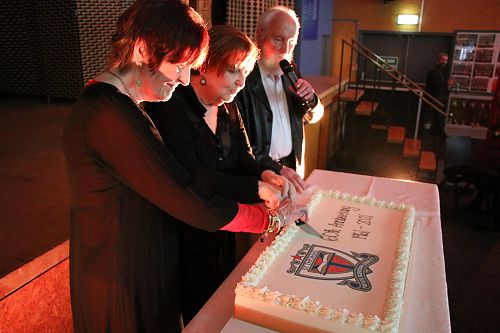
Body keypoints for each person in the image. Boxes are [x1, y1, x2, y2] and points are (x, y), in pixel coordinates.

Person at [63, 1, 302, 332]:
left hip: (143, 269)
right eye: (180, 66)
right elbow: (186, 195)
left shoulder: (124, 105)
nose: (186, 78)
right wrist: (266, 218)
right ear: (144, 50)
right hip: (120, 279)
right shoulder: (107, 113)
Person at [144, 24, 296, 323]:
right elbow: (193, 176)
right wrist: (256, 189)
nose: (241, 82)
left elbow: (243, 158)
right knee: (196, 312)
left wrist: (265, 173)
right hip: (185, 234)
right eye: (233, 71)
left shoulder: (228, 105)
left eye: (245, 72)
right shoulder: (172, 106)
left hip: (222, 229)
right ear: (204, 66)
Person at [235, 6, 324, 186]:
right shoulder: (242, 77)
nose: (285, 49)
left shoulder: (292, 72)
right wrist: (275, 168)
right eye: (278, 39)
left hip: (292, 169)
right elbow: (239, 144)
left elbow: (313, 117)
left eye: (291, 42)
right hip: (260, 175)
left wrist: (312, 100)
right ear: (259, 36)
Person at [425, 52, 452, 135]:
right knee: (432, 116)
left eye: (446, 60)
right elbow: (434, 85)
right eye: (443, 60)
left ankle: (436, 132)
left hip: (439, 98)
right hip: (434, 98)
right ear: (438, 60)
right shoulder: (434, 72)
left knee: (437, 116)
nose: (444, 62)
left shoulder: (441, 72)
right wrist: (446, 84)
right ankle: (430, 132)